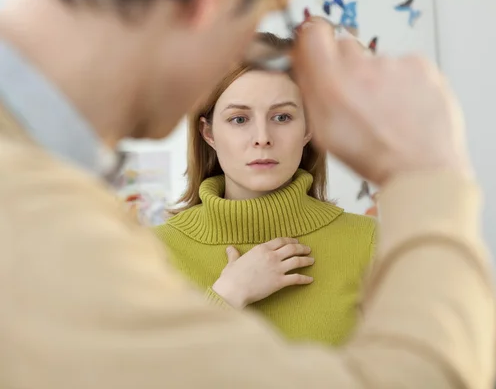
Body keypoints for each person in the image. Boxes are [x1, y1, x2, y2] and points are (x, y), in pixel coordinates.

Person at [0, 0, 496, 388]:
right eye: (261, 20)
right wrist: (430, 172)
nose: (261, 135)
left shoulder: (49, 206)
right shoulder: (37, 219)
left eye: (282, 114)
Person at [155, 32, 376, 346]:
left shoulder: (368, 242)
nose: (262, 137)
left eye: (282, 117)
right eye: (239, 119)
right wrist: (227, 296)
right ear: (209, 134)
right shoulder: (151, 252)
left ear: (309, 128)